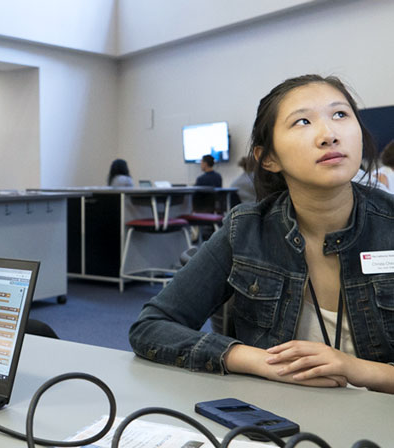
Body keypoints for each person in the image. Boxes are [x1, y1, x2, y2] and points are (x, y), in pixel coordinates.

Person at [129, 74, 394, 394]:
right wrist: (257, 360)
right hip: (279, 425)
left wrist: (357, 369)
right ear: (268, 158)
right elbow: (150, 327)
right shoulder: (246, 230)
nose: (329, 135)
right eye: (303, 122)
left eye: (340, 115)